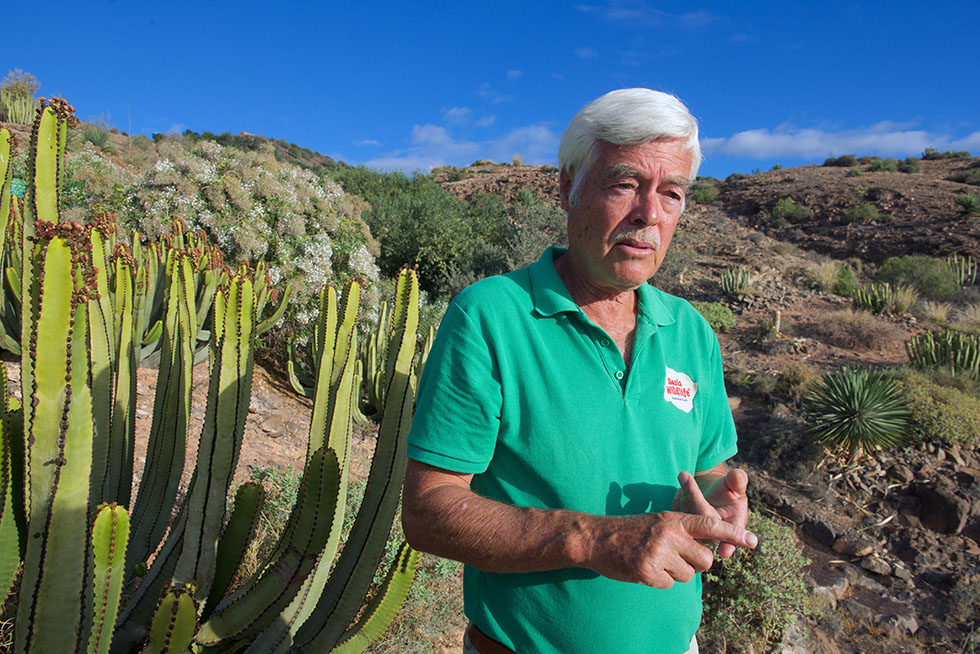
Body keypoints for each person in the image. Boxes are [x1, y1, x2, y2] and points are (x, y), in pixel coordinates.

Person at [402, 88, 757, 654]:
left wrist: (722, 497)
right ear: (567, 185)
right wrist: (593, 539)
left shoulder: (691, 331)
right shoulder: (491, 316)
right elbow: (427, 510)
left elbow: (708, 467)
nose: (650, 213)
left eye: (672, 193)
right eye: (625, 184)